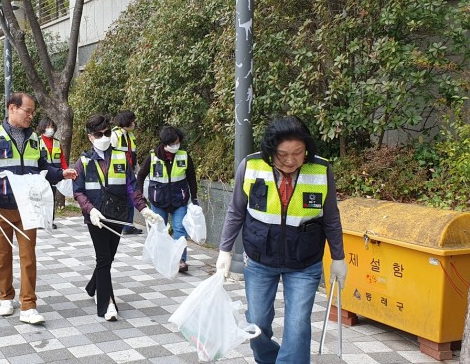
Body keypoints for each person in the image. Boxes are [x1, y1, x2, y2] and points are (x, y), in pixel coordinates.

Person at [216, 116, 347, 364]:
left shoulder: (321, 169)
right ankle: (268, 359)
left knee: (298, 324)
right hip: (259, 258)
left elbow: (331, 218)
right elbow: (236, 211)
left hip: (305, 262)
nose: (290, 160)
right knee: (257, 322)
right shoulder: (251, 165)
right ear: (270, 150)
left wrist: (339, 258)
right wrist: (225, 250)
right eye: (282, 154)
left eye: (298, 153)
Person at [0, 92, 78, 324]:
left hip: (27, 207)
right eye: (27, 111)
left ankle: (28, 305)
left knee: (28, 256)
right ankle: (6, 296)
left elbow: (42, 167)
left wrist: (61, 173)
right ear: (12, 108)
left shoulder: (34, 140)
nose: (31, 116)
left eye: (32, 112)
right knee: (2, 256)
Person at [73, 114, 162, 321]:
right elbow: (78, 191)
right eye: (98, 134)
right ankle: (107, 303)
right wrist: (90, 210)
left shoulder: (121, 157)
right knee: (103, 259)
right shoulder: (84, 161)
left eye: (106, 133)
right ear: (90, 137)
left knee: (109, 257)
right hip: (95, 217)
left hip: (117, 215)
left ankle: (93, 286)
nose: (103, 137)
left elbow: (131, 187)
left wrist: (143, 208)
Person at [136, 126, 198, 273]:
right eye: (173, 143)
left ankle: (180, 260)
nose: (176, 146)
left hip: (179, 201)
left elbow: (191, 178)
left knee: (179, 229)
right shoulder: (152, 157)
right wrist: (140, 195)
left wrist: (194, 198)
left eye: (178, 142)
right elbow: (140, 176)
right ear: (164, 143)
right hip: (159, 201)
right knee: (160, 231)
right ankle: (162, 258)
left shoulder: (184, 156)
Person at [110, 110, 142, 235]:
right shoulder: (115, 135)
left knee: (130, 198)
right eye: (132, 121)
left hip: (129, 172)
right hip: (117, 173)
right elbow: (109, 155)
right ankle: (120, 225)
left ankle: (128, 226)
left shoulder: (130, 136)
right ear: (126, 122)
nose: (134, 123)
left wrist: (136, 168)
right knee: (120, 199)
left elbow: (132, 154)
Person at [37, 117, 68, 229]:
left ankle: (50, 220)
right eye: (47, 127)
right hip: (41, 175)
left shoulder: (57, 143)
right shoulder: (37, 142)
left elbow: (62, 158)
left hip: (55, 174)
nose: (50, 129)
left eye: (51, 127)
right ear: (42, 128)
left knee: (51, 198)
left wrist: (65, 170)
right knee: (41, 198)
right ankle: (40, 221)